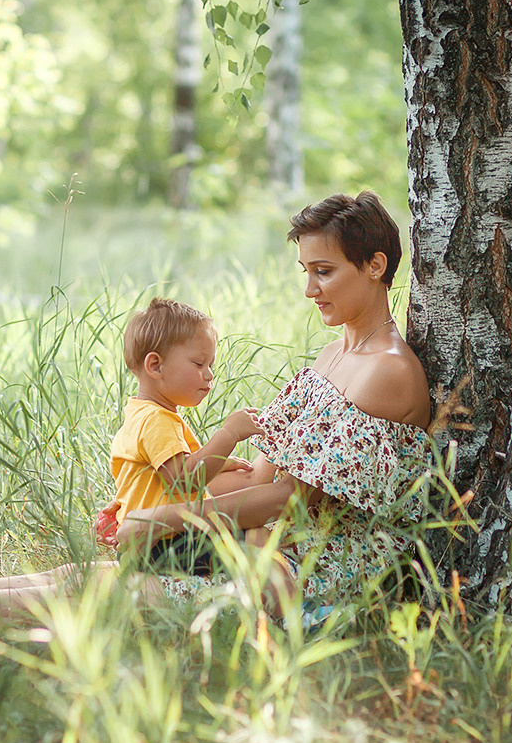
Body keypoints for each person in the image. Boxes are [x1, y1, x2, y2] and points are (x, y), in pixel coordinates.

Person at [115, 191, 435, 618]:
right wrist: (142, 506)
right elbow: (259, 476)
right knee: (83, 576)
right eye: (306, 271)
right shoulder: (328, 357)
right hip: (267, 540)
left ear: (375, 266)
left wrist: (168, 518)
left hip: (316, 568)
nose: (309, 289)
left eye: (324, 271)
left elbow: (293, 500)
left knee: (106, 591)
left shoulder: (389, 370)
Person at [0, 296, 284, 619]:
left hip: (150, 540)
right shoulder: (158, 421)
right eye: (199, 364)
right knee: (254, 540)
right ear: (155, 366)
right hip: (165, 544)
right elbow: (182, 480)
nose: (209, 375)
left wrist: (219, 461)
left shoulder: (142, 413)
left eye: (211, 366)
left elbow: (158, 477)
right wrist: (228, 435)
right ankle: (271, 614)